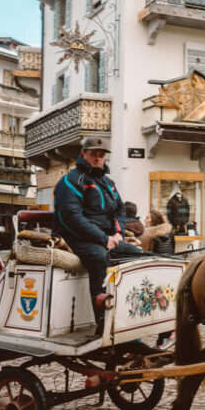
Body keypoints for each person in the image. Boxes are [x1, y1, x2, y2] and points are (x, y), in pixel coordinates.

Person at [53, 136, 129, 330]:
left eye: (101, 155)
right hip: (76, 238)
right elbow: (71, 217)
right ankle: (103, 321)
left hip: (108, 238)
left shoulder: (108, 182)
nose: (98, 158)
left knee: (138, 255)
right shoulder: (70, 181)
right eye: (93, 154)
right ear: (83, 154)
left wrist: (118, 235)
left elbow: (121, 210)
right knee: (99, 257)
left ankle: (129, 314)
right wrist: (103, 238)